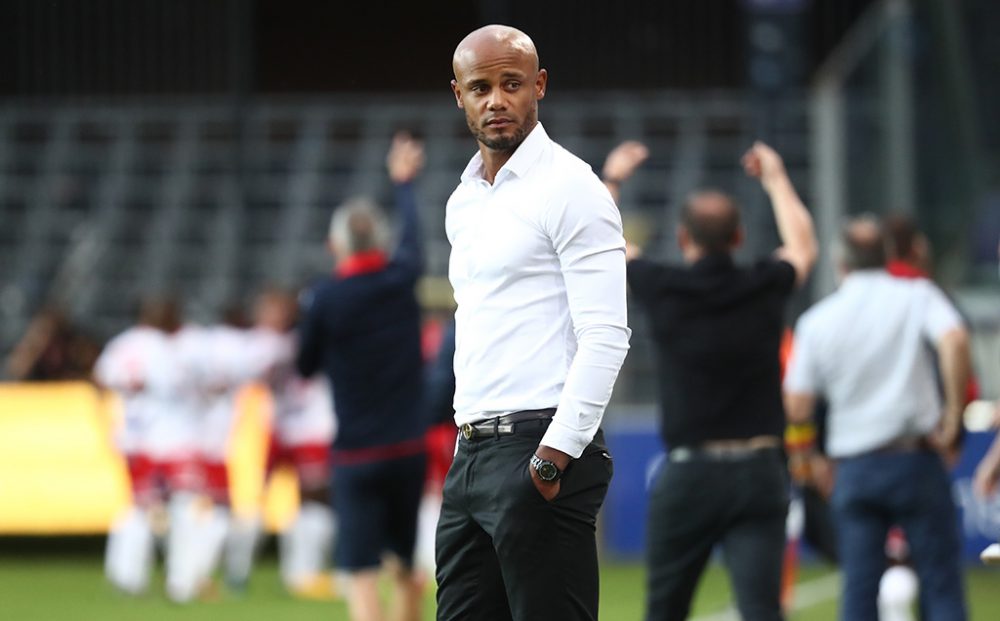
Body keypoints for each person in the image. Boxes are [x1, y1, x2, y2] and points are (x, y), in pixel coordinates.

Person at [435, 25, 630, 621]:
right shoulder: (463, 200)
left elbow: (607, 335)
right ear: (459, 95)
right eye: (481, 87)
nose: (496, 99)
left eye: (511, 84)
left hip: (538, 450)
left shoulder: (573, 188)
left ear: (538, 86)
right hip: (470, 455)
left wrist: (553, 457)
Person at [626, 142, 817, 621]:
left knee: (664, 610)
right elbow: (803, 247)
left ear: (683, 237)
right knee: (762, 610)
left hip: (690, 472)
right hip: (759, 471)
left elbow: (606, 244)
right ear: (739, 237)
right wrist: (774, 177)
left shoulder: (663, 287)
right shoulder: (763, 284)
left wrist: (612, 179)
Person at [784, 216, 971, 621]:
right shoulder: (918, 295)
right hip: (914, 457)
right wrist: (954, 416)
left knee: (859, 588)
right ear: (887, 255)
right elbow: (954, 339)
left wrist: (808, 462)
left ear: (840, 262)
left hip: (855, 465)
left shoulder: (817, 320)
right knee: (940, 585)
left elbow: (797, 405)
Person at [297, 131, 427, 621]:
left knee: (360, 571)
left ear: (336, 245)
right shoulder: (401, 279)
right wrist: (404, 182)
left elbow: (305, 366)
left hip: (355, 452)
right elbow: (413, 240)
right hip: (408, 448)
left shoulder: (325, 299)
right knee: (406, 565)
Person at [94, 296, 203, 600]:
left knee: (138, 508)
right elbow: (184, 388)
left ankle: (126, 575)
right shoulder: (166, 347)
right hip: (173, 440)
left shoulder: (121, 344)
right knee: (185, 507)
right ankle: (182, 581)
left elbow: (99, 381)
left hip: (134, 439)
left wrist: (113, 422)